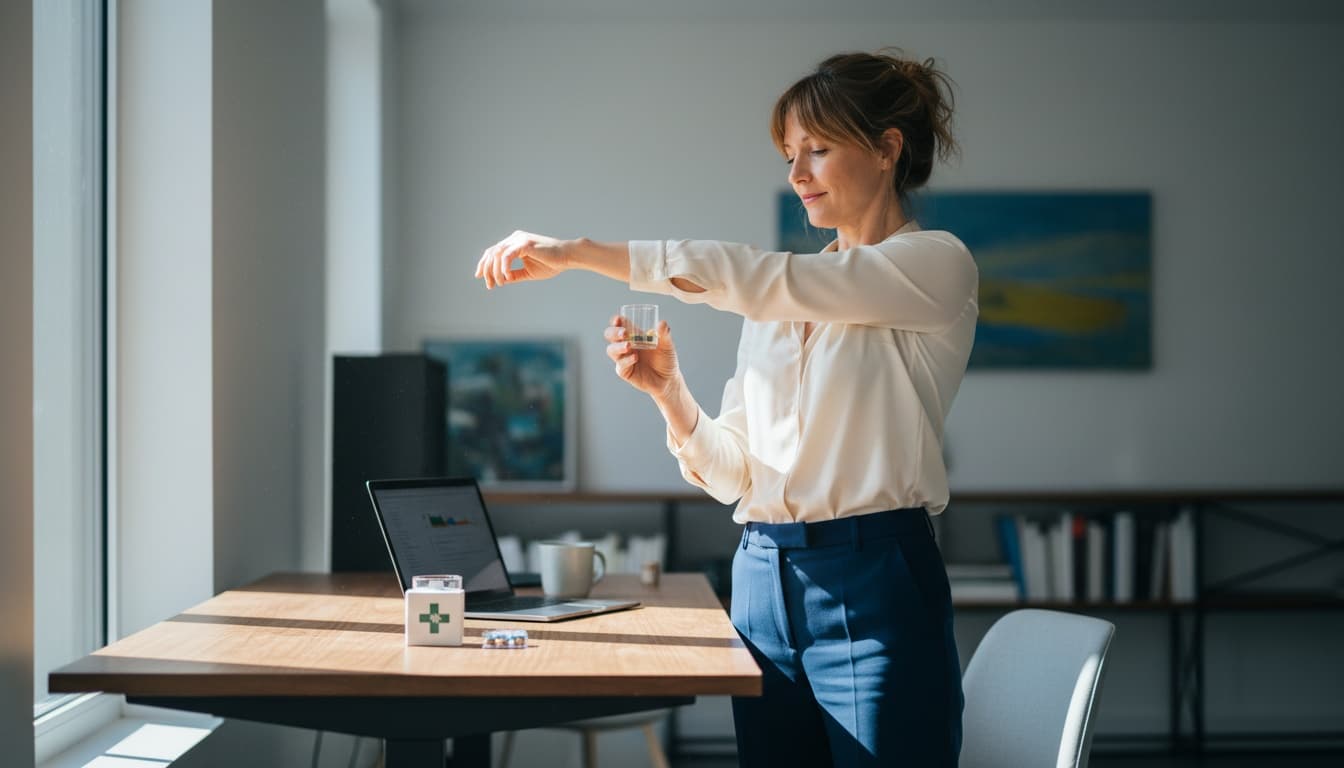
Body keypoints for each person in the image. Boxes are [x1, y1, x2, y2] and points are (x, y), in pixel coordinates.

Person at [474, 49, 976, 768]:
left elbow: (756, 275)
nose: (797, 174)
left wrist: (577, 251)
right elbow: (736, 476)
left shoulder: (936, 264)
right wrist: (668, 393)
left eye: (818, 149)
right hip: (761, 578)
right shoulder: (777, 306)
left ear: (887, 148)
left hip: (875, 583)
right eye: (790, 154)